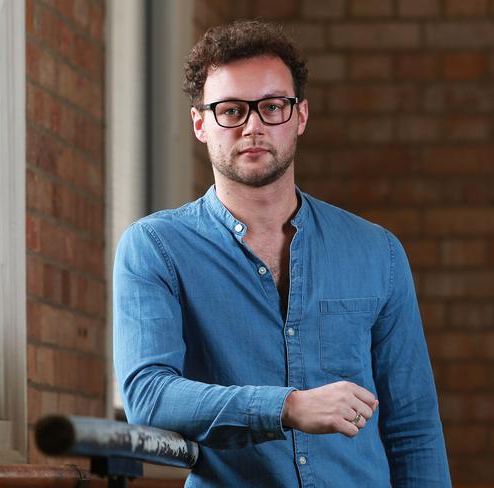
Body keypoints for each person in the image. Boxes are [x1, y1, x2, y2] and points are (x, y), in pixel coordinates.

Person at [113, 20, 451, 487]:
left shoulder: (379, 253)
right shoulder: (156, 247)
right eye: (231, 110)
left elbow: (413, 431)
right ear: (200, 123)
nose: (253, 125)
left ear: (300, 116)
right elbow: (149, 397)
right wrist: (287, 407)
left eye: (272, 106)